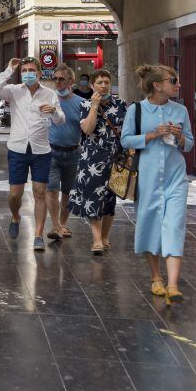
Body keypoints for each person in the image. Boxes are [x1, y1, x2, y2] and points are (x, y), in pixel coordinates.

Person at [121, 64, 193, 302]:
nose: (177, 84)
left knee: (174, 225)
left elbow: (190, 143)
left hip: (176, 177)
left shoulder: (181, 110)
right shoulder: (137, 110)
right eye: (173, 80)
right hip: (147, 177)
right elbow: (126, 140)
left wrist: (179, 136)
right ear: (157, 85)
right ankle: (156, 277)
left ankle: (173, 284)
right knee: (150, 222)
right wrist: (152, 135)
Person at [0, 57, 65, 251]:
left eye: (31, 70)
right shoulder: (14, 91)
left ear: (39, 73)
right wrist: (8, 70)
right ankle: (15, 216)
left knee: (40, 192)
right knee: (15, 194)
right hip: (17, 149)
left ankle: (38, 234)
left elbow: (60, 121)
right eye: (24, 70)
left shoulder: (49, 94)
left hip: (41, 150)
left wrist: (54, 111)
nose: (28, 73)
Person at [68, 70, 126, 255]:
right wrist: (94, 106)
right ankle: (96, 240)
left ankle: (105, 237)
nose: (103, 85)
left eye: (106, 82)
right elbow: (87, 129)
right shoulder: (85, 105)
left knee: (109, 199)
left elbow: (127, 131)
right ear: (93, 85)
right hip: (92, 158)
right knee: (93, 197)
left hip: (116, 159)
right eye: (100, 82)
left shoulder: (121, 105)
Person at [45, 64, 85, 242]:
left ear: (71, 81)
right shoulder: (50, 101)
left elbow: (86, 127)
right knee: (52, 189)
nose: (58, 82)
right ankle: (55, 226)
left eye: (61, 78)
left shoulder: (81, 103)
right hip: (52, 151)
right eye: (55, 78)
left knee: (68, 192)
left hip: (73, 153)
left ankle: (62, 224)